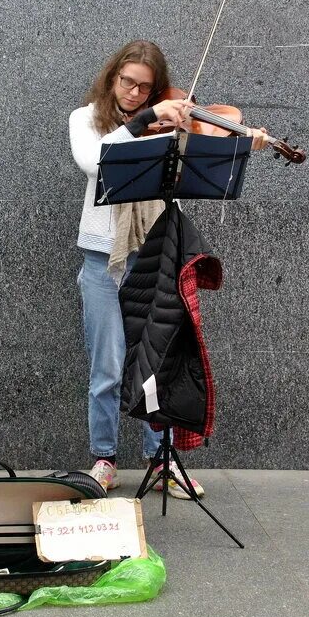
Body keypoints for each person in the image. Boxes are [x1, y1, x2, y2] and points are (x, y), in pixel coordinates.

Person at [68, 39, 209, 498]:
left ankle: (160, 458)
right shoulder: (85, 119)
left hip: (151, 253)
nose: (132, 92)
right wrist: (147, 120)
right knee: (107, 368)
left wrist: (232, 137)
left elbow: (185, 177)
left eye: (143, 88)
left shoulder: (163, 126)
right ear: (113, 77)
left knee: (156, 362)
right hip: (101, 257)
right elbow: (96, 161)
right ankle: (104, 459)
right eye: (126, 81)